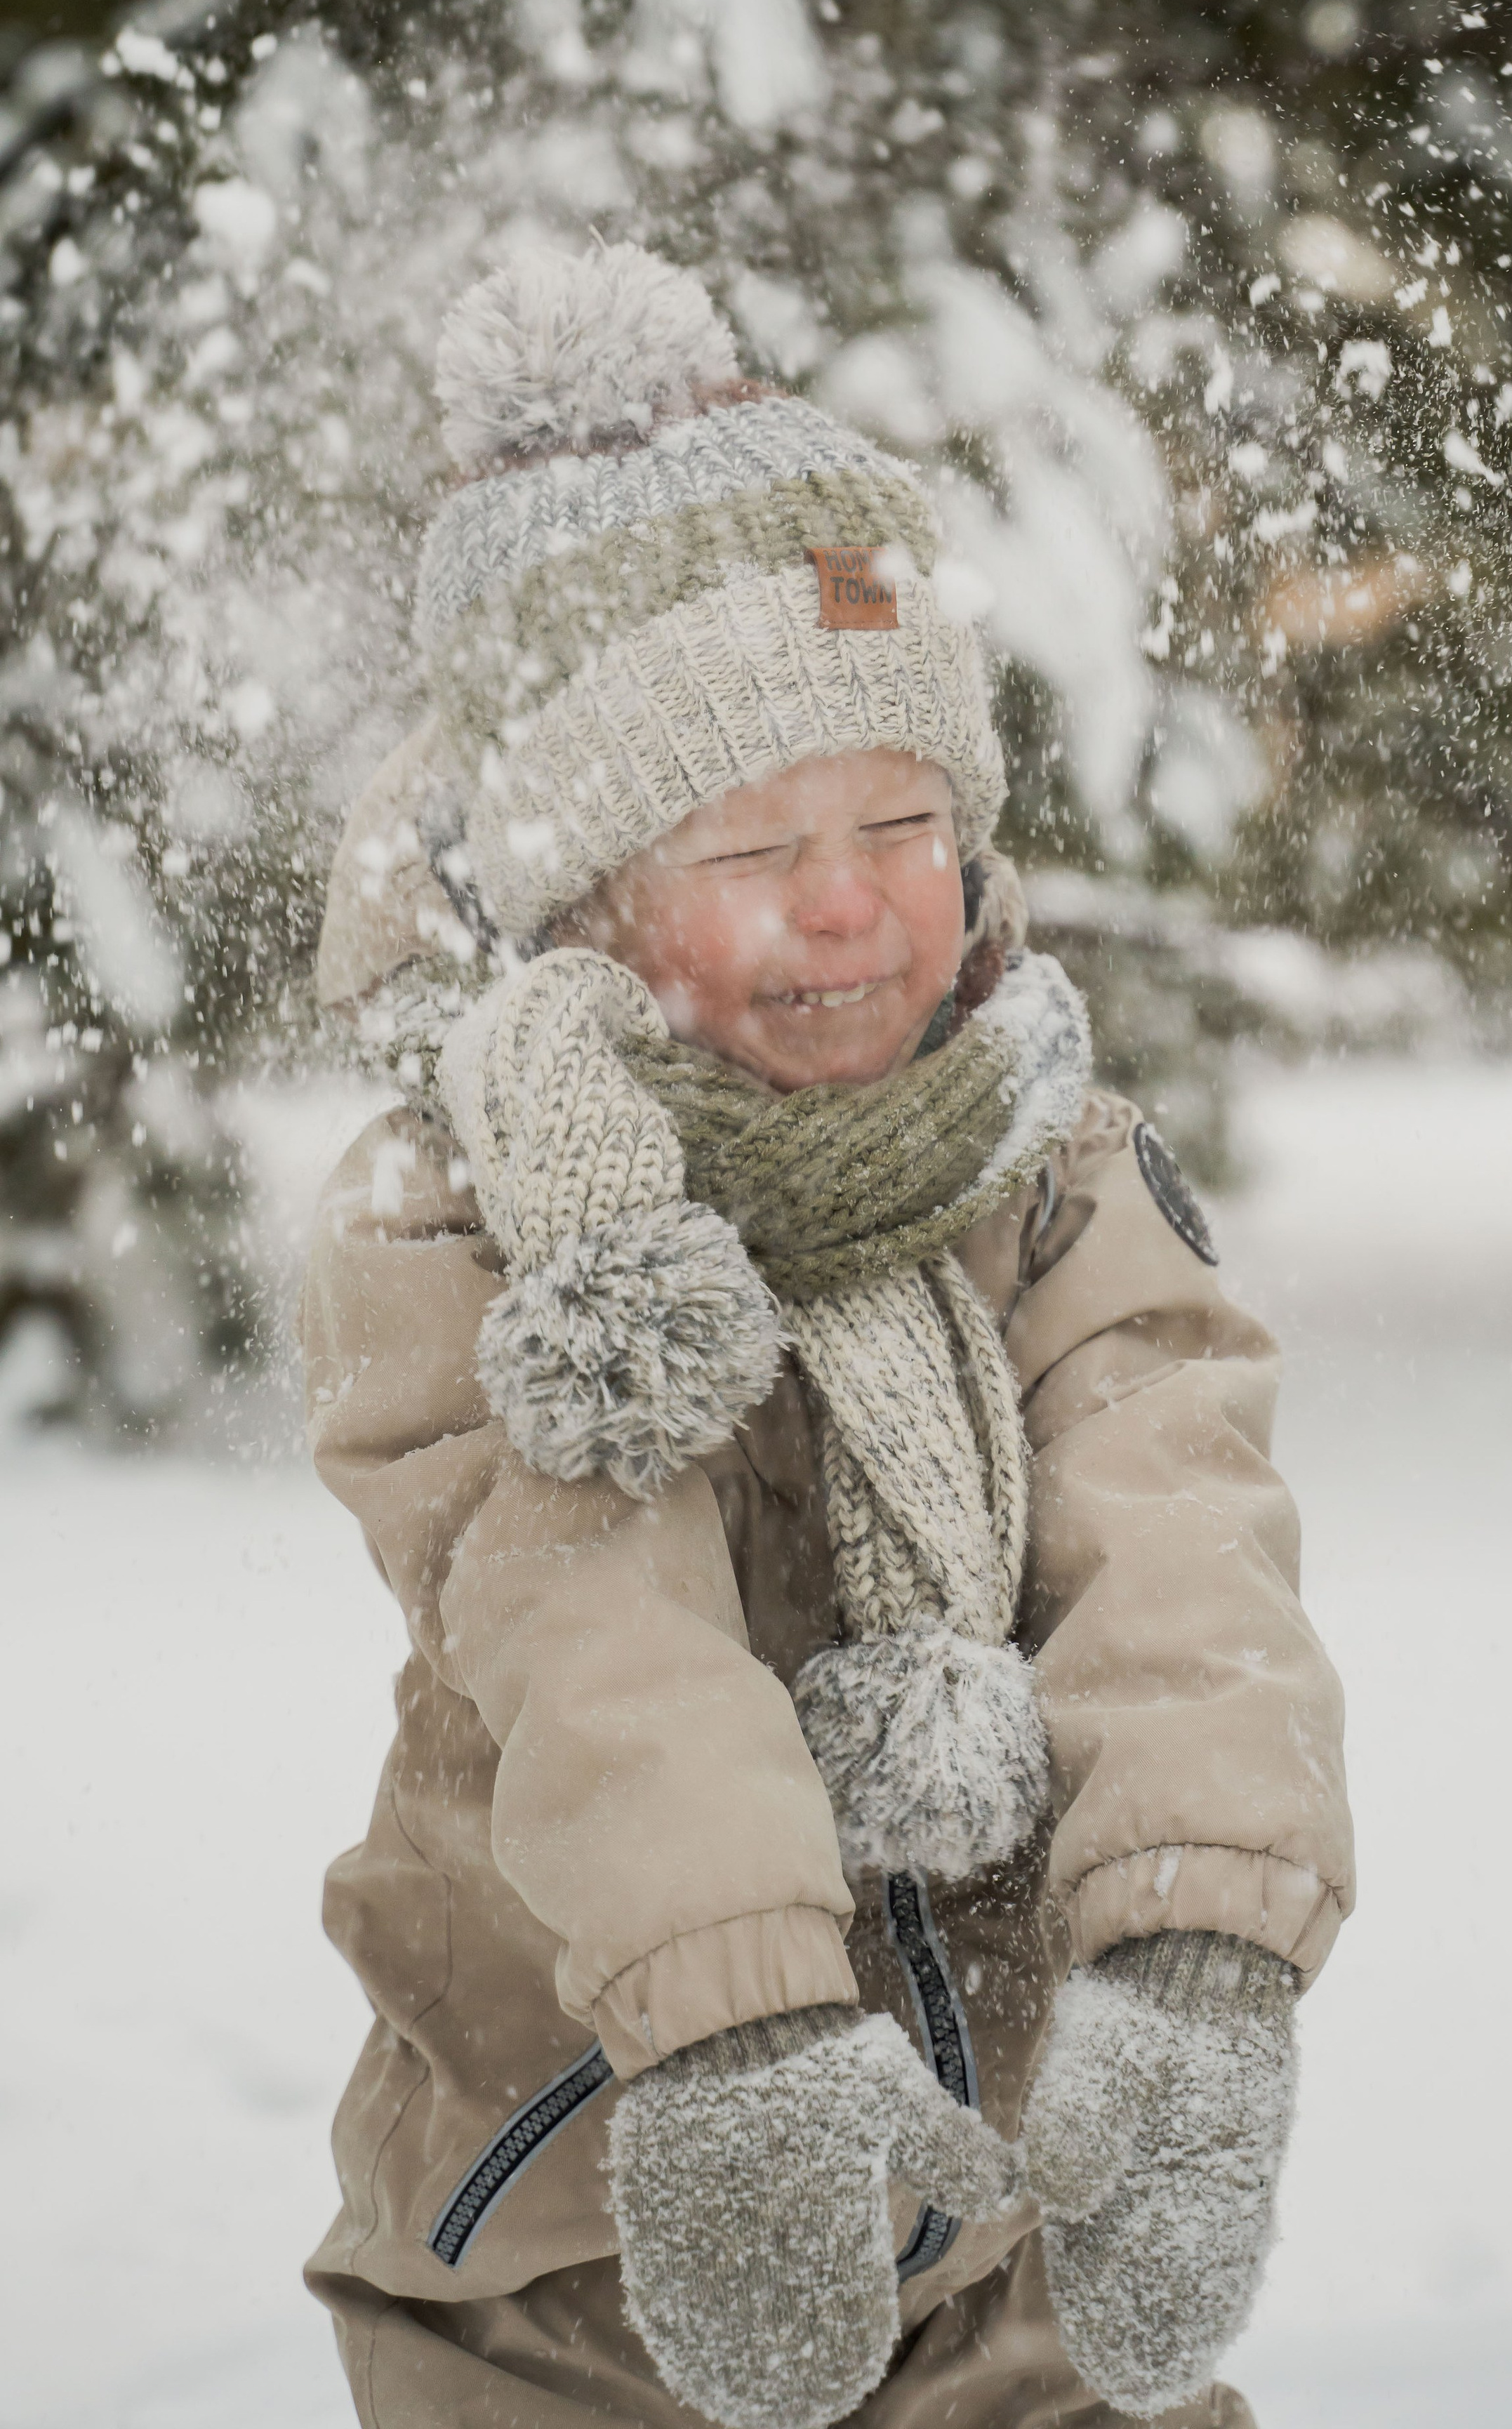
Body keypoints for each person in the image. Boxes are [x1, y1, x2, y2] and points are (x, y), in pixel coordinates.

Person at [301, 242, 1353, 2429]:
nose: (853, 899)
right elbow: (596, 1619)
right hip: (577, 2197)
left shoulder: (1048, 1167)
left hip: (1010, 2203)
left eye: (901, 825)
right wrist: (742, 2028)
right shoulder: (476, 1231)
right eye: (757, 846)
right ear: (583, 906)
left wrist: (1192, 1948)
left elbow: (1180, 1526)